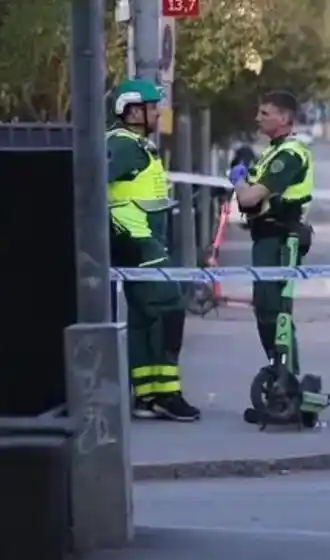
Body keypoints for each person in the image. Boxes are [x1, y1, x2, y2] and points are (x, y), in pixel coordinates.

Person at [106, 78, 200, 422]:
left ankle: (146, 396)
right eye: (152, 107)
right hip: (138, 240)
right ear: (132, 111)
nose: (158, 113)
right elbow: (90, 182)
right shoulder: (124, 145)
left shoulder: (135, 144)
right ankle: (166, 393)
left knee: (145, 317)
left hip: (143, 240)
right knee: (169, 307)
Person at [227, 91, 315, 415]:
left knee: (274, 310)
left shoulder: (288, 155)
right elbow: (254, 198)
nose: (258, 118)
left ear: (284, 118)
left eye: (265, 113)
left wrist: (239, 183)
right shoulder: (272, 152)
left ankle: (287, 382)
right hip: (266, 237)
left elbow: (250, 198)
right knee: (266, 309)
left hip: (281, 239)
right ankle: (280, 379)